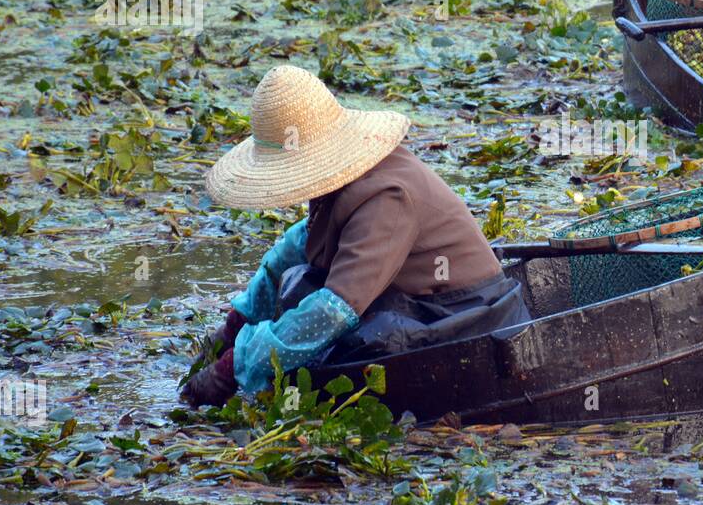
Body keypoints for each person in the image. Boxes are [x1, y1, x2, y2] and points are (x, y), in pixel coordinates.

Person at [181, 65, 530, 407]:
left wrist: (231, 369)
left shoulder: (386, 197)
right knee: (298, 281)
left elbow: (334, 310)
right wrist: (234, 327)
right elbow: (297, 247)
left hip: (465, 321)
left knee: (333, 326)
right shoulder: (339, 185)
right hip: (415, 303)